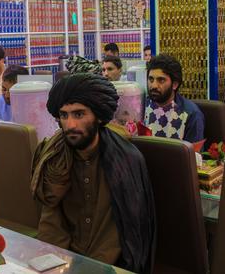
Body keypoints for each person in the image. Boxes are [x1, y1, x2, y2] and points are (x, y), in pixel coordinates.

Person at [31, 74, 155, 272]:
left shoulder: (126, 161)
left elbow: (128, 235)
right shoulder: (56, 160)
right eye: (64, 115)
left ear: (98, 116)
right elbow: (51, 226)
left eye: (79, 114)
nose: (70, 124)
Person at [144, 54, 204, 144]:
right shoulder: (141, 106)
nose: (154, 85)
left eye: (161, 80)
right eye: (151, 79)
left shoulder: (191, 114)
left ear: (175, 84)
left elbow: (194, 155)